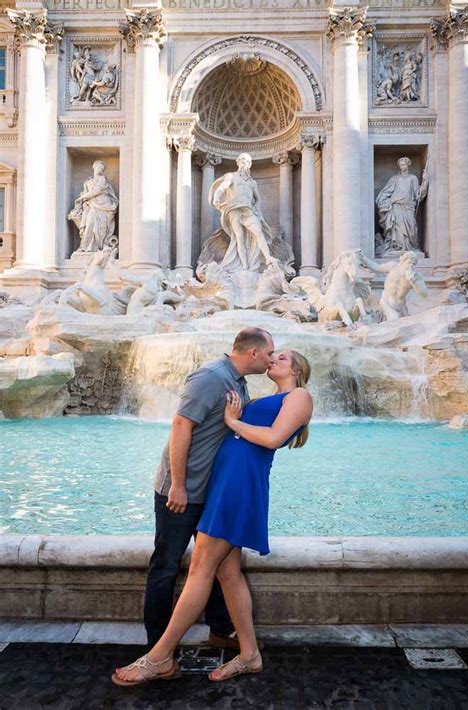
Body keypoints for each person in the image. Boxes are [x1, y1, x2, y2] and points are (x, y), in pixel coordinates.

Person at [112, 349, 313, 686]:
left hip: (240, 485)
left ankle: (158, 656)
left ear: (297, 369)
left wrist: (234, 422)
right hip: (225, 482)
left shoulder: (300, 395)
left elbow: (274, 439)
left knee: (201, 566)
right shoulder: (269, 395)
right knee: (227, 571)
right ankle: (249, 654)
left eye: (281, 358)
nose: (273, 360)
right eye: (272, 355)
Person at [143, 327, 276, 651]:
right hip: (181, 491)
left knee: (218, 564)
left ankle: (219, 629)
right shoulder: (211, 377)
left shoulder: (238, 383)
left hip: (211, 490)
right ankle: (157, 647)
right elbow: (180, 425)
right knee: (166, 565)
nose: (272, 359)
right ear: (253, 353)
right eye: (270, 353)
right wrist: (177, 484)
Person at [209, 153, 279, 272]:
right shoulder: (231, 176)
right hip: (234, 210)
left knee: (258, 232)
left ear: (249, 164)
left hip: (247, 210)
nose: (243, 163)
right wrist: (216, 197)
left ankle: (267, 257)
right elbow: (222, 188)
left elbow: (258, 199)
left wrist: (256, 208)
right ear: (237, 163)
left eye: (246, 161)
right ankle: (245, 266)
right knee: (239, 238)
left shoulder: (252, 183)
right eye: (241, 161)